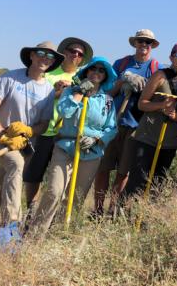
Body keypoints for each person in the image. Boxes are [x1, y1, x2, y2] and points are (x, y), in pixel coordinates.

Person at [27, 57, 117, 235]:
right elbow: (64, 111)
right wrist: (79, 93)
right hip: (66, 147)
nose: (96, 72)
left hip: (91, 152)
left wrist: (96, 138)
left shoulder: (107, 100)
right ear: (86, 72)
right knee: (54, 191)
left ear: (105, 76)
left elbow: (111, 127)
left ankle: (60, 233)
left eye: (101, 70)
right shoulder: (70, 91)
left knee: (76, 197)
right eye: (93, 69)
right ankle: (35, 233)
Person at [0, 42, 61, 224]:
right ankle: (11, 224)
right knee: (16, 165)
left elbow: (44, 123)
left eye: (50, 57)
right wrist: (3, 134)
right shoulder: (10, 78)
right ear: (31, 55)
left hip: (24, 143)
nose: (45, 58)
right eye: (41, 53)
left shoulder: (48, 90)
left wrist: (30, 131)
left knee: (4, 177)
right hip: (0, 135)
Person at [23, 37, 93, 215]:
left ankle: (54, 215)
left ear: (82, 58)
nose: (75, 55)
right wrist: (56, 91)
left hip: (67, 134)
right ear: (64, 52)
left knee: (60, 179)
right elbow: (38, 96)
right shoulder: (50, 72)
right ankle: (31, 209)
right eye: (71, 51)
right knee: (34, 173)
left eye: (79, 54)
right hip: (45, 129)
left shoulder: (83, 77)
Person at [94, 29, 160, 216]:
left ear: (152, 46)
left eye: (148, 42)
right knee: (103, 168)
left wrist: (145, 84)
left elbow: (155, 94)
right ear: (135, 43)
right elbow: (108, 92)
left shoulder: (156, 68)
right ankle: (97, 210)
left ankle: (112, 210)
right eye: (141, 41)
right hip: (112, 123)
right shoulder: (121, 64)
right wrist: (124, 80)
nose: (144, 45)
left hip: (136, 126)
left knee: (124, 172)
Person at [123, 42, 177, 198]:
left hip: (169, 142)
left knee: (157, 184)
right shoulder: (160, 75)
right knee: (137, 182)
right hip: (147, 138)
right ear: (171, 57)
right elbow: (142, 104)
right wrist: (162, 105)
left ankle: (146, 219)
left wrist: (175, 116)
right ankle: (123, 216)